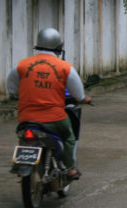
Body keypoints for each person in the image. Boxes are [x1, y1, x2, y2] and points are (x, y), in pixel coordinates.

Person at [6, 28, 91, 179]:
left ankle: (20, 160)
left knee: (24, 136)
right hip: (55, 119)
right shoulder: (65, 67)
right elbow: (78, 95)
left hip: (27, 118)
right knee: (69, 137)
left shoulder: (21, 65)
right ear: (58, 47)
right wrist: (84, 99)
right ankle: (70, 168)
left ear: (38, 45)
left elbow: (12, 89)